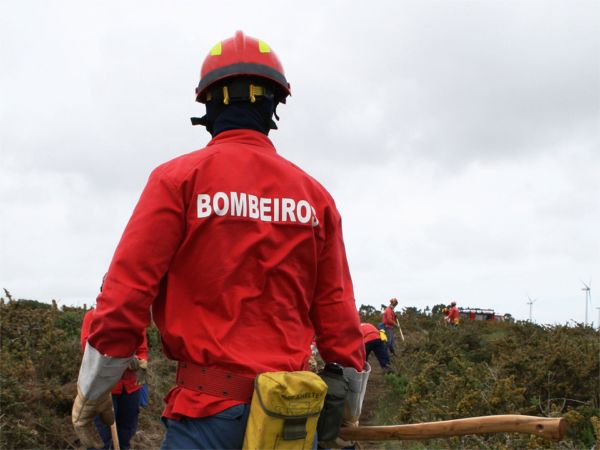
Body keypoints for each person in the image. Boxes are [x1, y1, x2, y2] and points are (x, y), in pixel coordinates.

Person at [71, 31, 369, 450]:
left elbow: (127, 294)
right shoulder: (315, 198)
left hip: (204, 415)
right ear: (274, 105)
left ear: (208, 105)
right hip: (291, 419)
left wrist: (94, 388)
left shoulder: (176, 181)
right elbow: (338, 312)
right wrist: (348, 409)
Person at [80, 307, 148, 450]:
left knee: (126, 433)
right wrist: (119, 358)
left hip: (130, 387)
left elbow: (142, 349)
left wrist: (139, 361)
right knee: (103, 437)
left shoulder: (136, 318)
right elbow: (88, 347)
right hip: (103, 387)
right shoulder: (93, 316)